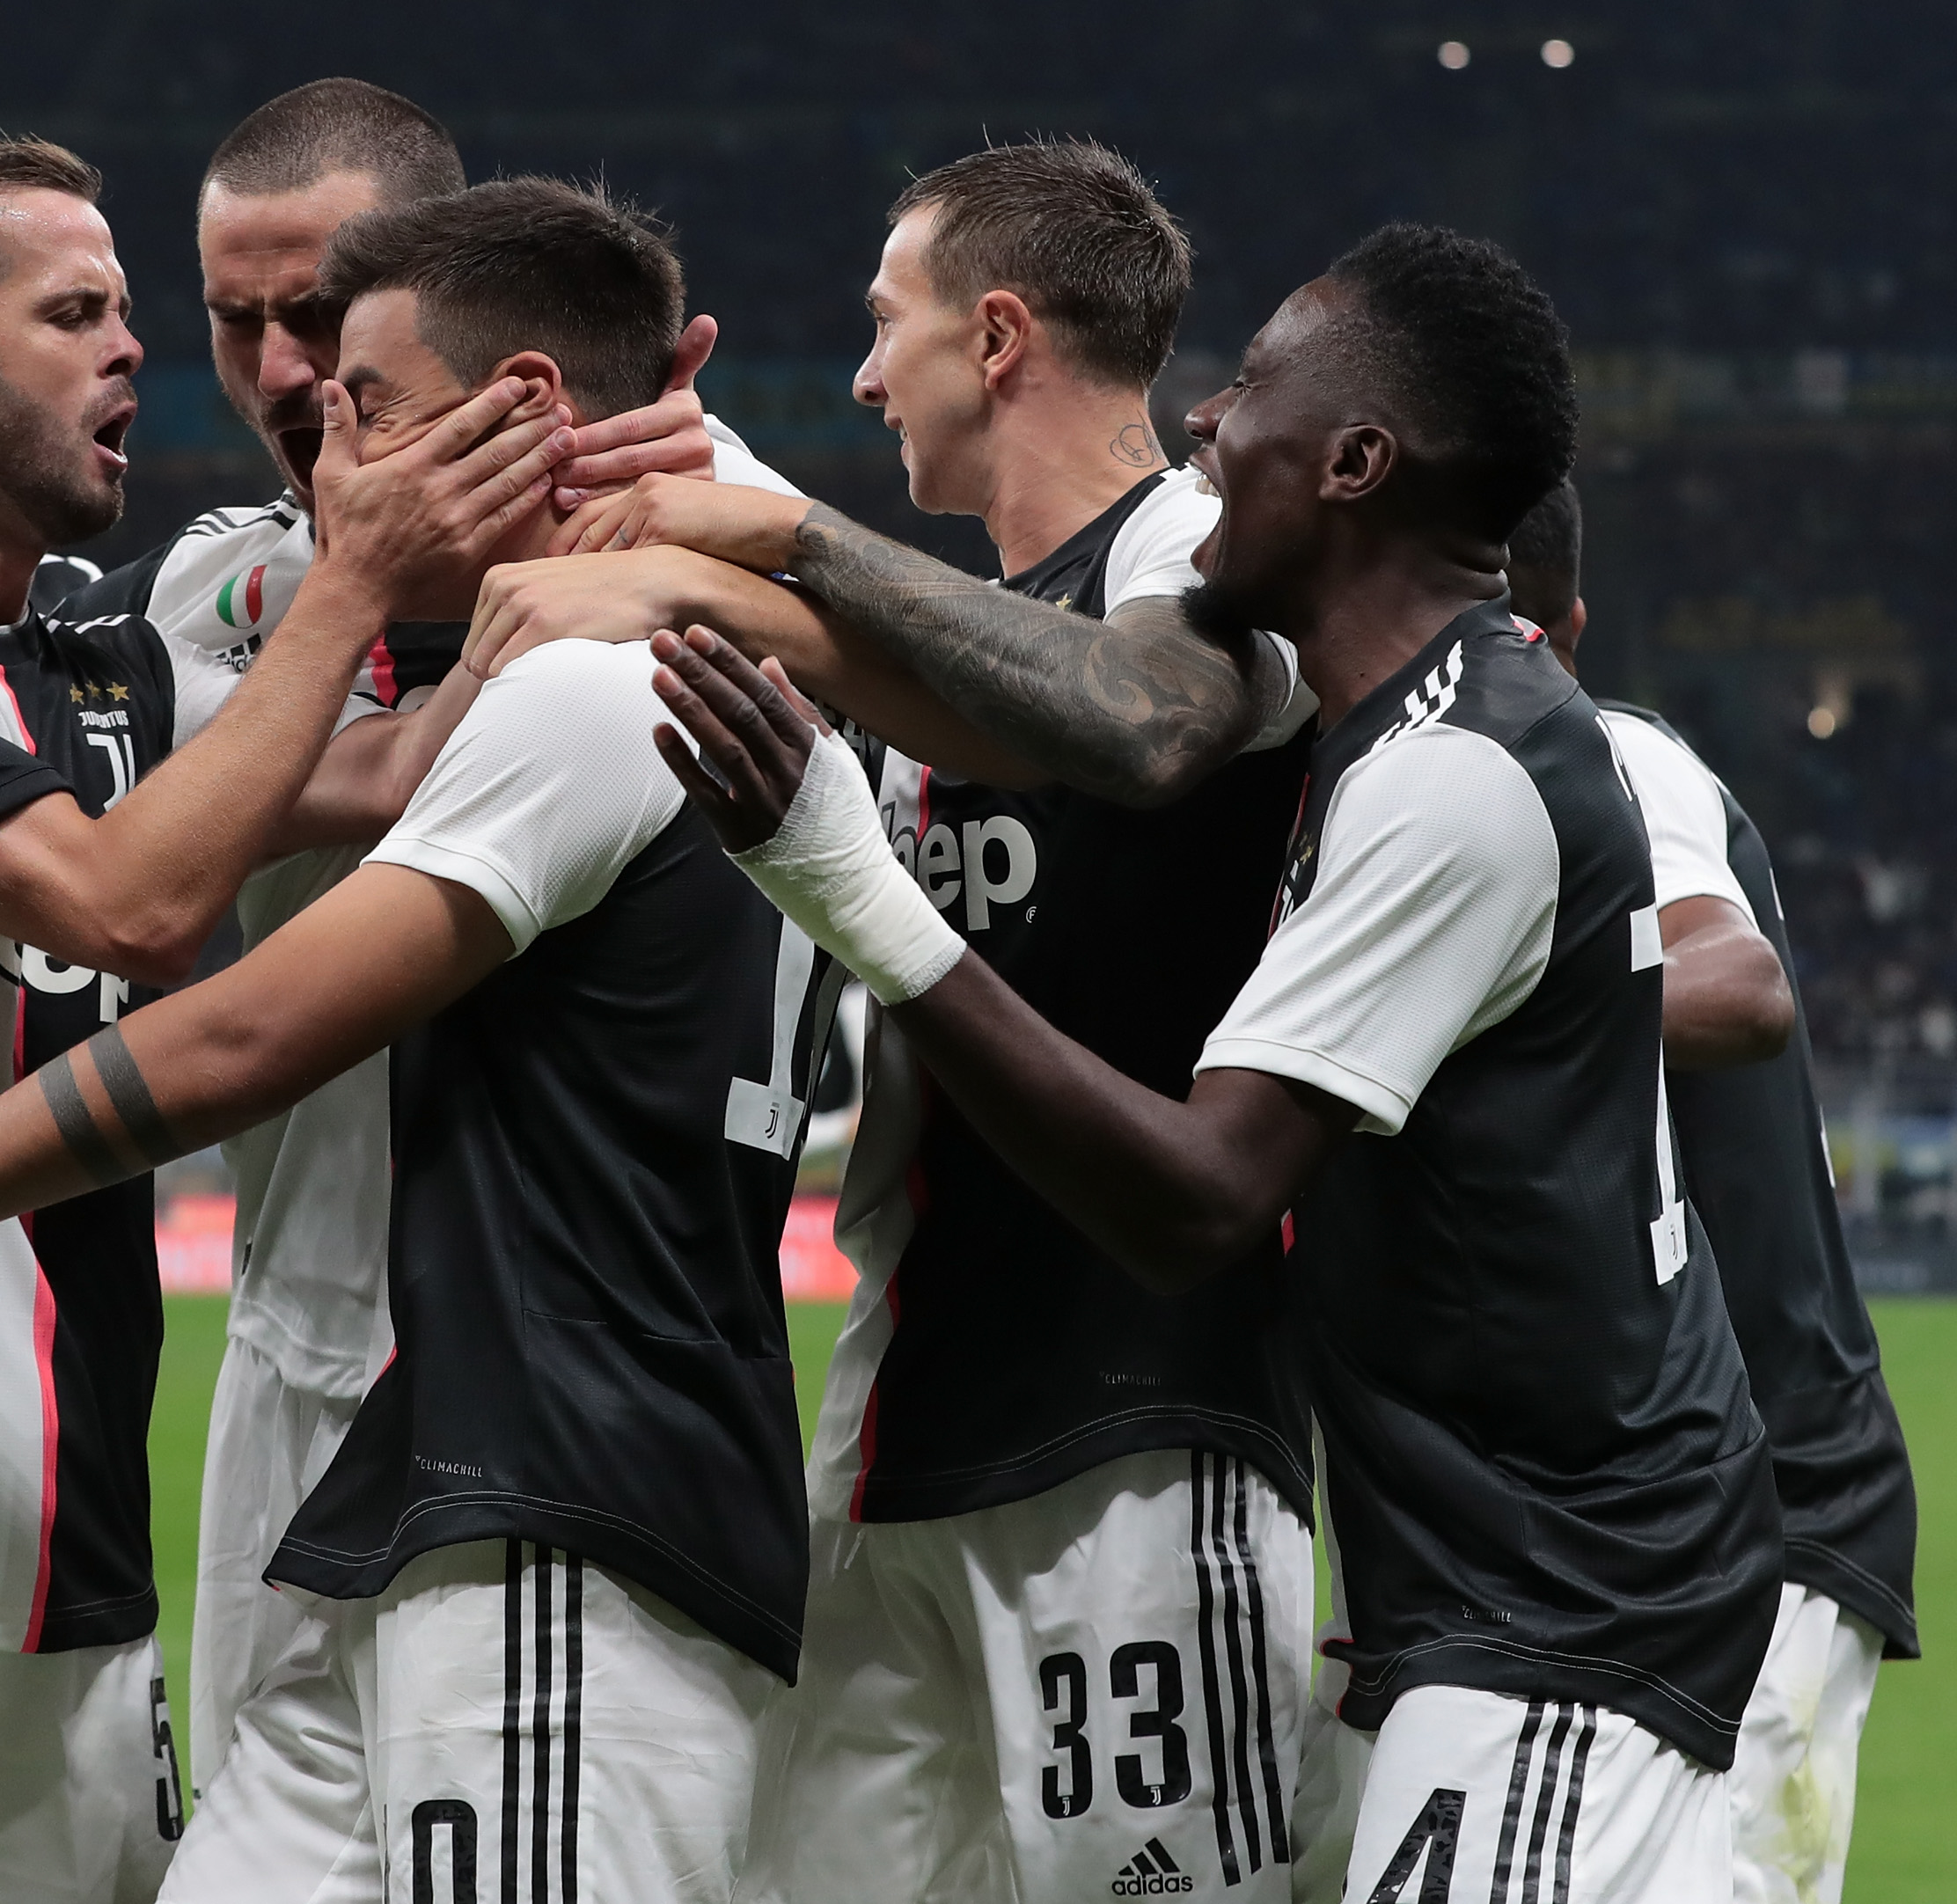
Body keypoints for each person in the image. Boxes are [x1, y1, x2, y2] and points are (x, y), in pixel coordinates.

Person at [0, 177, 849, 1904]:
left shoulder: (117, 680)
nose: (141, 351)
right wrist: (366, 571)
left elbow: (387, 766)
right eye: (79, 314)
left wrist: (650, 533)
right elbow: (131, 903)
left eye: (135, 310)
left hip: (65, 1551)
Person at [647, 224, 1785, 1904]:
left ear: (1352, 463)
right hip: (1481, 1591)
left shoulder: (1454, 777)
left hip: (1572, 1606)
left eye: (1248, 387)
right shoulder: (1413, 738)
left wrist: (845, 880)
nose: (1204, 429)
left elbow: (1200, 1193)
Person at [471, 137, 1321, 1903]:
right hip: (897, 1430)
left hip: (1141, 1431)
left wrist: (775, 528)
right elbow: (918, 669)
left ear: (996, 336)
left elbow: (1140, 721)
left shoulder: (1203, 552)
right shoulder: (943, 638)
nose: (864, 374)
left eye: (888, 322)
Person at [59, 75, 788, 1792]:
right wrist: (357, 592)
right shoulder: (210, 589)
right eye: (235, 321)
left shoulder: (693, 507)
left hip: (580, 1366)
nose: (280, 369)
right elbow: (173, 905)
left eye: (318, 315)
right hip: (294, 1347)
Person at [1509, 481, 1920, 1904]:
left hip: (1776, 1497)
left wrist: (1467, 1012)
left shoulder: (1614, 754)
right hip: (1614, 1514)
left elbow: (1731, 980)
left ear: (1552, 634)